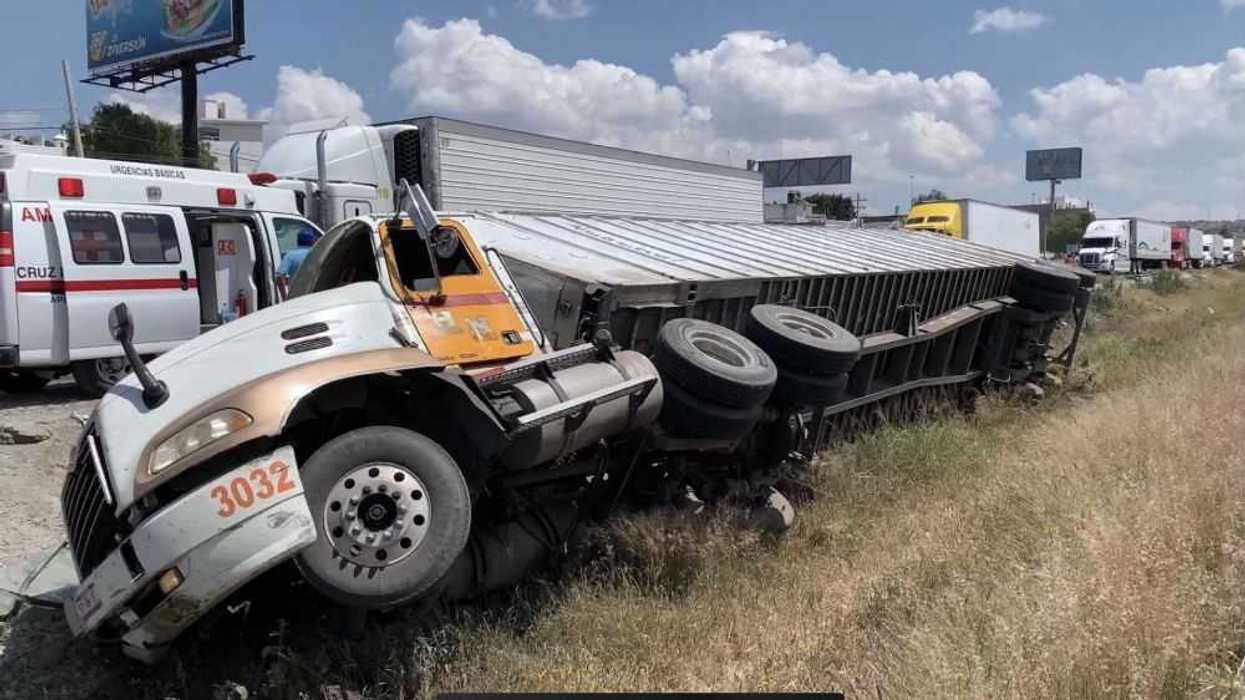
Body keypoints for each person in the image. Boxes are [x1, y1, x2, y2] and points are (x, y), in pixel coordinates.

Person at [277, 228, 317, 294]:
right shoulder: (318, 253)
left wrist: (284, 296)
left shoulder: (290, 255)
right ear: (313, 241)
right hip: (315, 296)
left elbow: (279, 277)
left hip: (296, 297)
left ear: (297, 241)